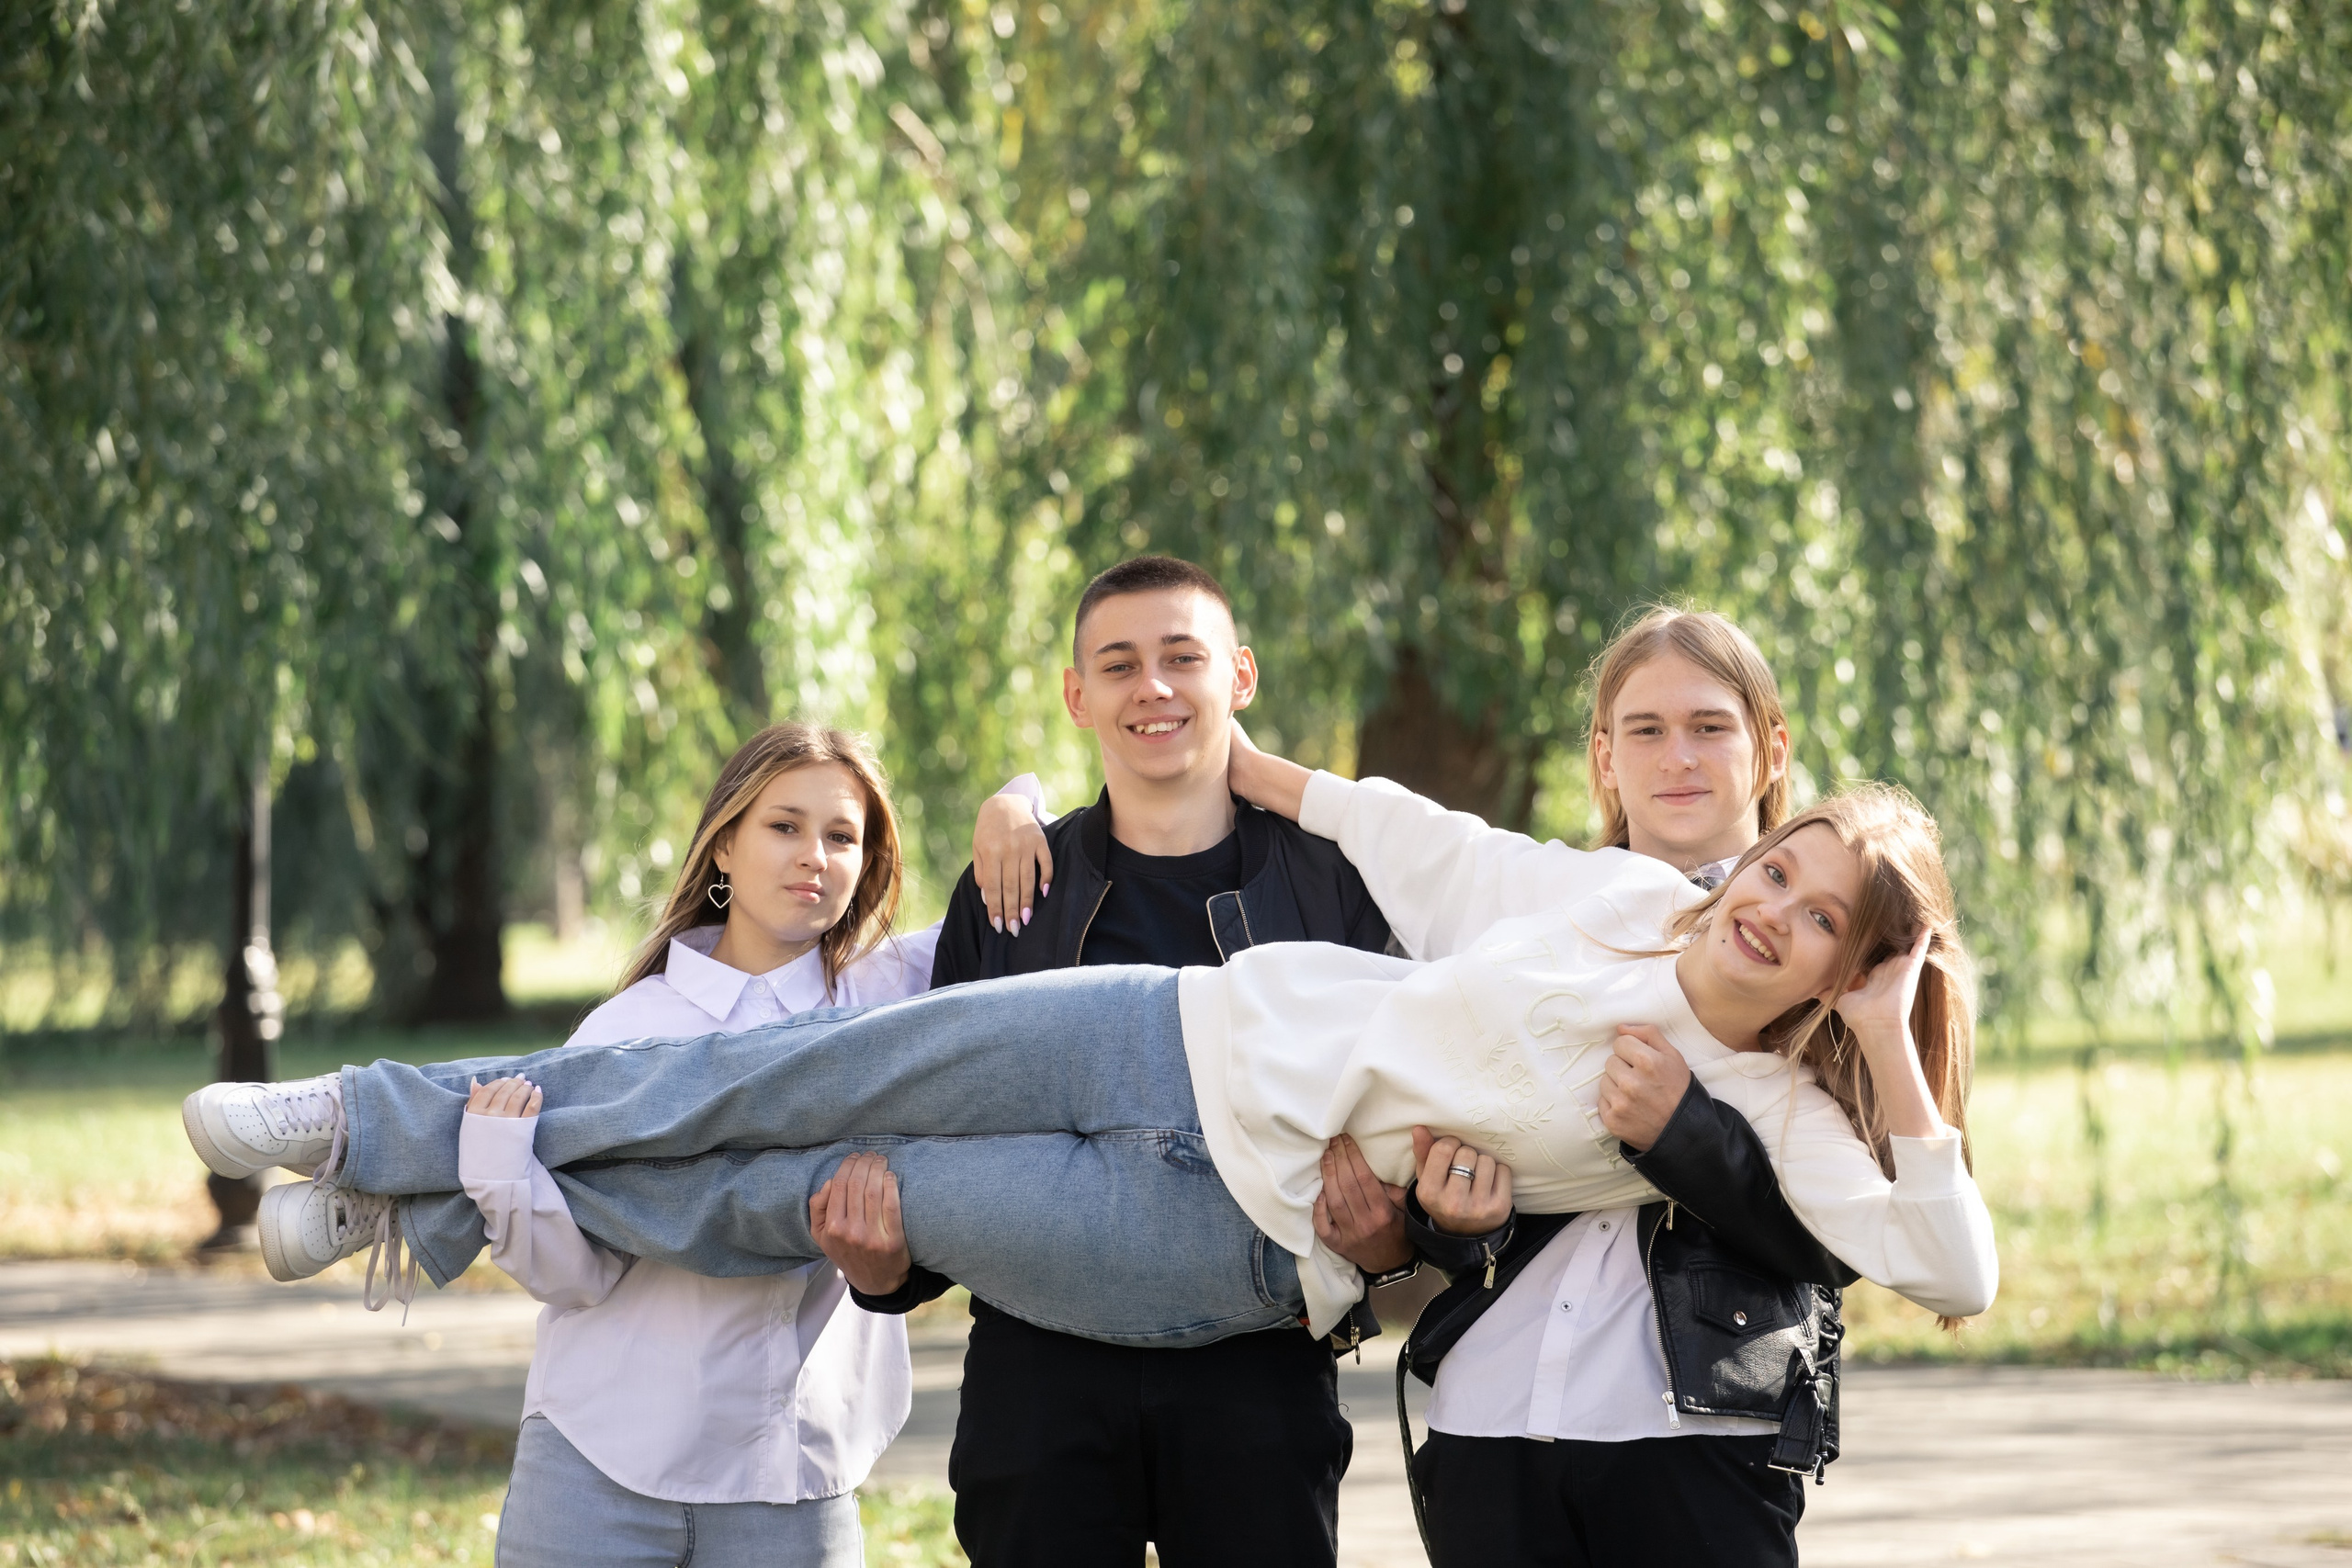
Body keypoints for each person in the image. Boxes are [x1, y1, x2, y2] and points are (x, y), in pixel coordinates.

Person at [184, 750, 1998, 1383]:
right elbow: (1411, 834)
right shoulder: (1615, 891)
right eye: (1779, 863)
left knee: (794, 1196)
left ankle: (416, 1219)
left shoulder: (1753, 1104)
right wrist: (1238, 753)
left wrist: (1880, 1053)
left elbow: (1953, 1270)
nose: (1768, 903)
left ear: (1851, 961)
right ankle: (372, 1128)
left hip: (1225, 1234)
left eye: (1821, 916)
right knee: (793, 1082)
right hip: (1175, 1021)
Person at [200, 722, 1047, 1568]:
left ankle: (379, 1168)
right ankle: (374, 1147)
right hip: (599, 1469)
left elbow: (1043, 868)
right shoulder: (632, 1024)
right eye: (783, 826)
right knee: (606, 1097)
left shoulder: (891, 990)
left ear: (867, 863)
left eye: (841, 836)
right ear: (723, 846)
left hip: (790, 1483)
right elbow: (577, 1275)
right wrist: (499, 1171)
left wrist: (1010, 806)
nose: (814, 856)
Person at [847, 556, 1408, 1568]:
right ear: (1077, 696)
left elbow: (1405, 1108)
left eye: (1179, 657)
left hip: (1259, 1375)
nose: (1151, 687)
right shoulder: (1012, 889)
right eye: (1118, 664)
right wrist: (886, 1273)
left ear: (1238, 676)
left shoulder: (1331, 886)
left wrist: (1387, 1245)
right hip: (1038, 1377)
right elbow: (944, 1129)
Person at [1396, 606, 1863, 1568]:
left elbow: (1852, 1230)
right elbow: (1421, 1126)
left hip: (1702, 1439)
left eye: (1708, 726)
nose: (1675, 758)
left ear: (1770, 747)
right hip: (1492, 1411)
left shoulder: (1830, 939)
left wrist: (1683, 1133)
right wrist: (1450, 1221)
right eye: (1643, 731)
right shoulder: (1523, 924)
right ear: (1603, 757)